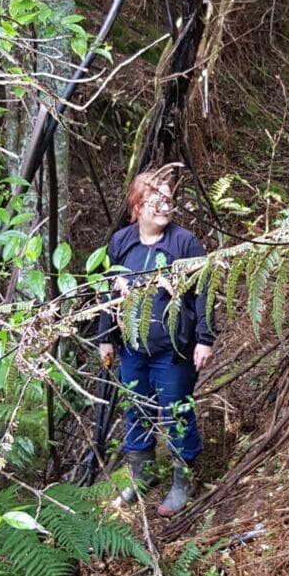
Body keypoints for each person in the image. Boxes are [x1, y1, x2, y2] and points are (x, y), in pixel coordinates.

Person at [97, 171, 214, 515]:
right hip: (133, 349)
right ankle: (141, 474)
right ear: (138, 204)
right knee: (136, 408)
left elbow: (203, 292)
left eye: (169, 199)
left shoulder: (183, 243)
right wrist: (105, 337)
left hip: (173, 351)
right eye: (157, 199)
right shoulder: (121, 242)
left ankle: (182, 479)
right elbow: (107, 291)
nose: (165, 206)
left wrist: (204, 339)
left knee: (176, 409)